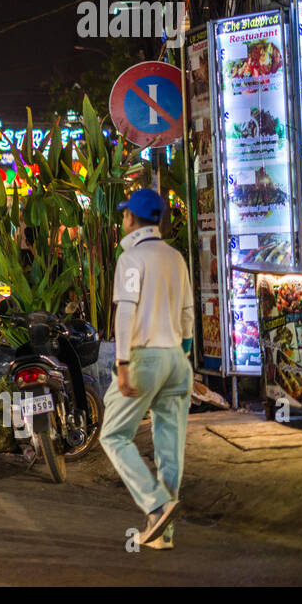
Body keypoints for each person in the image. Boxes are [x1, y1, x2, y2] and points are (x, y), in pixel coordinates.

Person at [99, 188, 194, 550]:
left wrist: (122, 363)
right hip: (175, 358)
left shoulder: (132, 259)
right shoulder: (175, 257)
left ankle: (155, 505)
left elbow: (126, 311)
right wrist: (183, 355)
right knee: (170, 449)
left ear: (131, 219)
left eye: (124, 215)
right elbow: (187, 314)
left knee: (113, 435)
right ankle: (162, 534)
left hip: (144, 357)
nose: (122, 220)